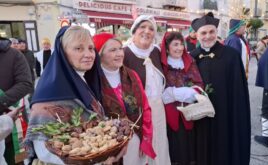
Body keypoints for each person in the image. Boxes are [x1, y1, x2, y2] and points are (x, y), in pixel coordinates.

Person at [24, 26, 125, 165]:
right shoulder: (49, 94)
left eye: (90, 48)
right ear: (63, 53)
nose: (89, 54)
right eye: (78, 48)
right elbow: (43, 151)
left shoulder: (81, 80)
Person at [190, 13, 251, 165]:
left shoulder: (231, 56)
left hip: (225, 117)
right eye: (203, 33)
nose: (208, 36)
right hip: (200, 119)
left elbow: (239, 93)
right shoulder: (191, 57)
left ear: (216, 33)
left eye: (211, 32)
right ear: (197, 35)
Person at [93, 32, 156, 164]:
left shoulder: (131, 75)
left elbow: (145, 108)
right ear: (100, 54)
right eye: (113, 50)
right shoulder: (93, 81)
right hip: (109, 148)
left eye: (120, 48)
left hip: (136, 141)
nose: (120, 53)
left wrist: (146, 138)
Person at [123, 15, 171, 165]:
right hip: (136, 112)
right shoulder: (125, 53)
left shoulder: (156, 51)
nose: (147, 31)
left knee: (160, 145)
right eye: (142, 27)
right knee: (137, 151)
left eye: (151, 29)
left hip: (158, 109)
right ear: (134, 31)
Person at [160, 32, 203, 165]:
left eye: (181, 44)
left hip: (189, 112)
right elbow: (159, 90)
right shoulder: (161, 65)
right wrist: (171, 94)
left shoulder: (190, 62)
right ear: (167, 48)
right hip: (169, 115)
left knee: (188, 147)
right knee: (174, 148)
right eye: (175, 44)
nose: (179, 48)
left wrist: (180, 93)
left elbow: (199, 85)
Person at [0, 37, 33, 165]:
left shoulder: (13, 55)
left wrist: (1, 101)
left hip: (14, 120)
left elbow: (25, 83)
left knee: (19, 159)